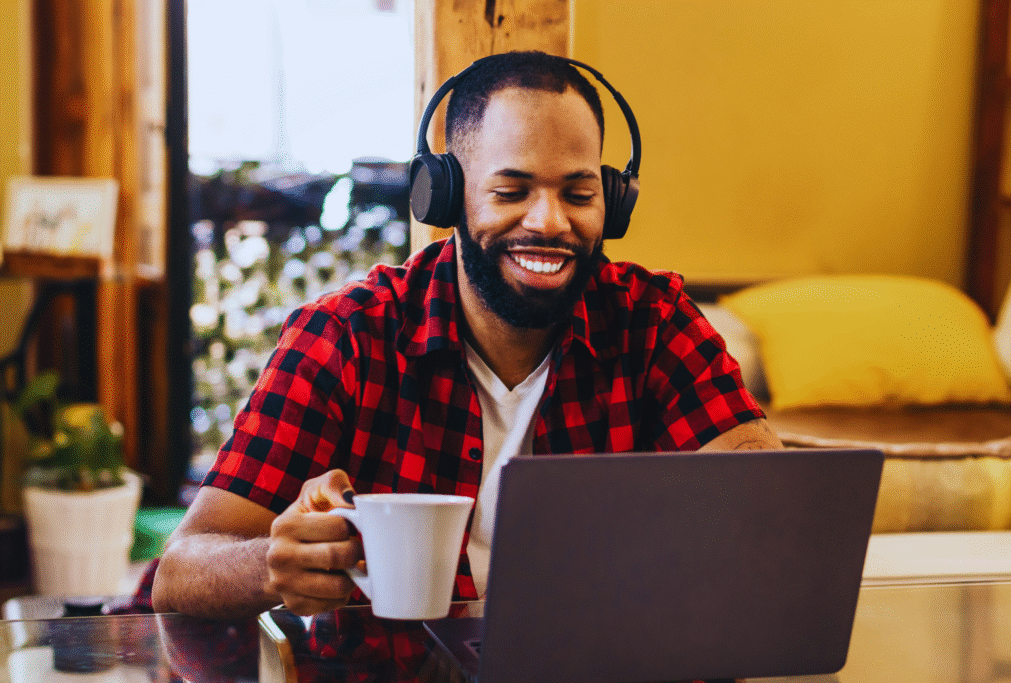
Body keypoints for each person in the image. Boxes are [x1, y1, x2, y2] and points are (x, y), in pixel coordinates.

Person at [152, 50, 782, 621]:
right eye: (511, 191)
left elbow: (767, 505)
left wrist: (751, 496)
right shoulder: (345, 337)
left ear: (612, 201)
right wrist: (272, 564)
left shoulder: (654, 322)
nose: (550, 221)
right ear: (446, 197)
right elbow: (180, 571)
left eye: (579, 193)